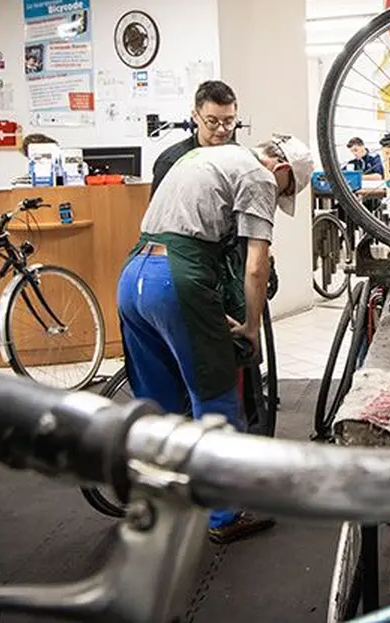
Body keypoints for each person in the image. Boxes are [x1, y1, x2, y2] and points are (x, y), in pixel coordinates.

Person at [117, 134, 313, 543]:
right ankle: (224, 517)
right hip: (176, 279)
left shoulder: (203, 156)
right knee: (216, 397)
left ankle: (160, 507)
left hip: (134, 276)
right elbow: (256, 265)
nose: (279, 196)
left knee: (157, 404)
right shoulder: (260, 177)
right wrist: (251, 327)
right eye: (286, 190)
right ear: (280, 169)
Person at [150, 80, 239, 197]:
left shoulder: (241, 158)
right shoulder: (171, 162)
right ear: (196, 117)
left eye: (228, 121)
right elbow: (160, 207)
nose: (221, 129)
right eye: (212, 121)